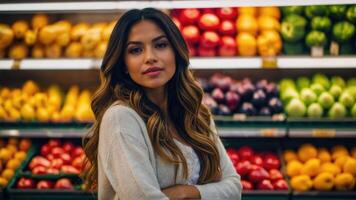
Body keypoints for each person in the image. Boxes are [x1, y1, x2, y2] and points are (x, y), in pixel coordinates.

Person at [83, 8, 241, 200]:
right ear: (123, 63)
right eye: (135, 50)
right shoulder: (121, 118)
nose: (150, 57)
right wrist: (210, 192)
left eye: (161, 45)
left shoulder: (195, 113)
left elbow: (234, 188)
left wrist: (184, 193)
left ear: (176, 51)